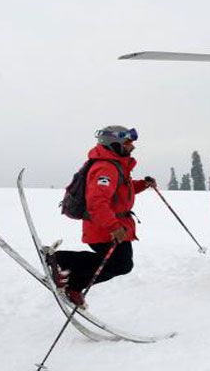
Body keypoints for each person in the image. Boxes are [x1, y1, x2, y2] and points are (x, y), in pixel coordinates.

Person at [48, 125, 156, 307]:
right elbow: (97, 202)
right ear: (115, 144)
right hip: (104, 227)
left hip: (114, 225)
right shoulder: (106, 168)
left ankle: (73, 285)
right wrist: (113, 227)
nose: (132, 147)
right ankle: (60, 260)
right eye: (128, 142)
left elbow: (120, 192)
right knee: (120, 264)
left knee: (120, 265)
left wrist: (142, 185)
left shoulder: (115, 165)